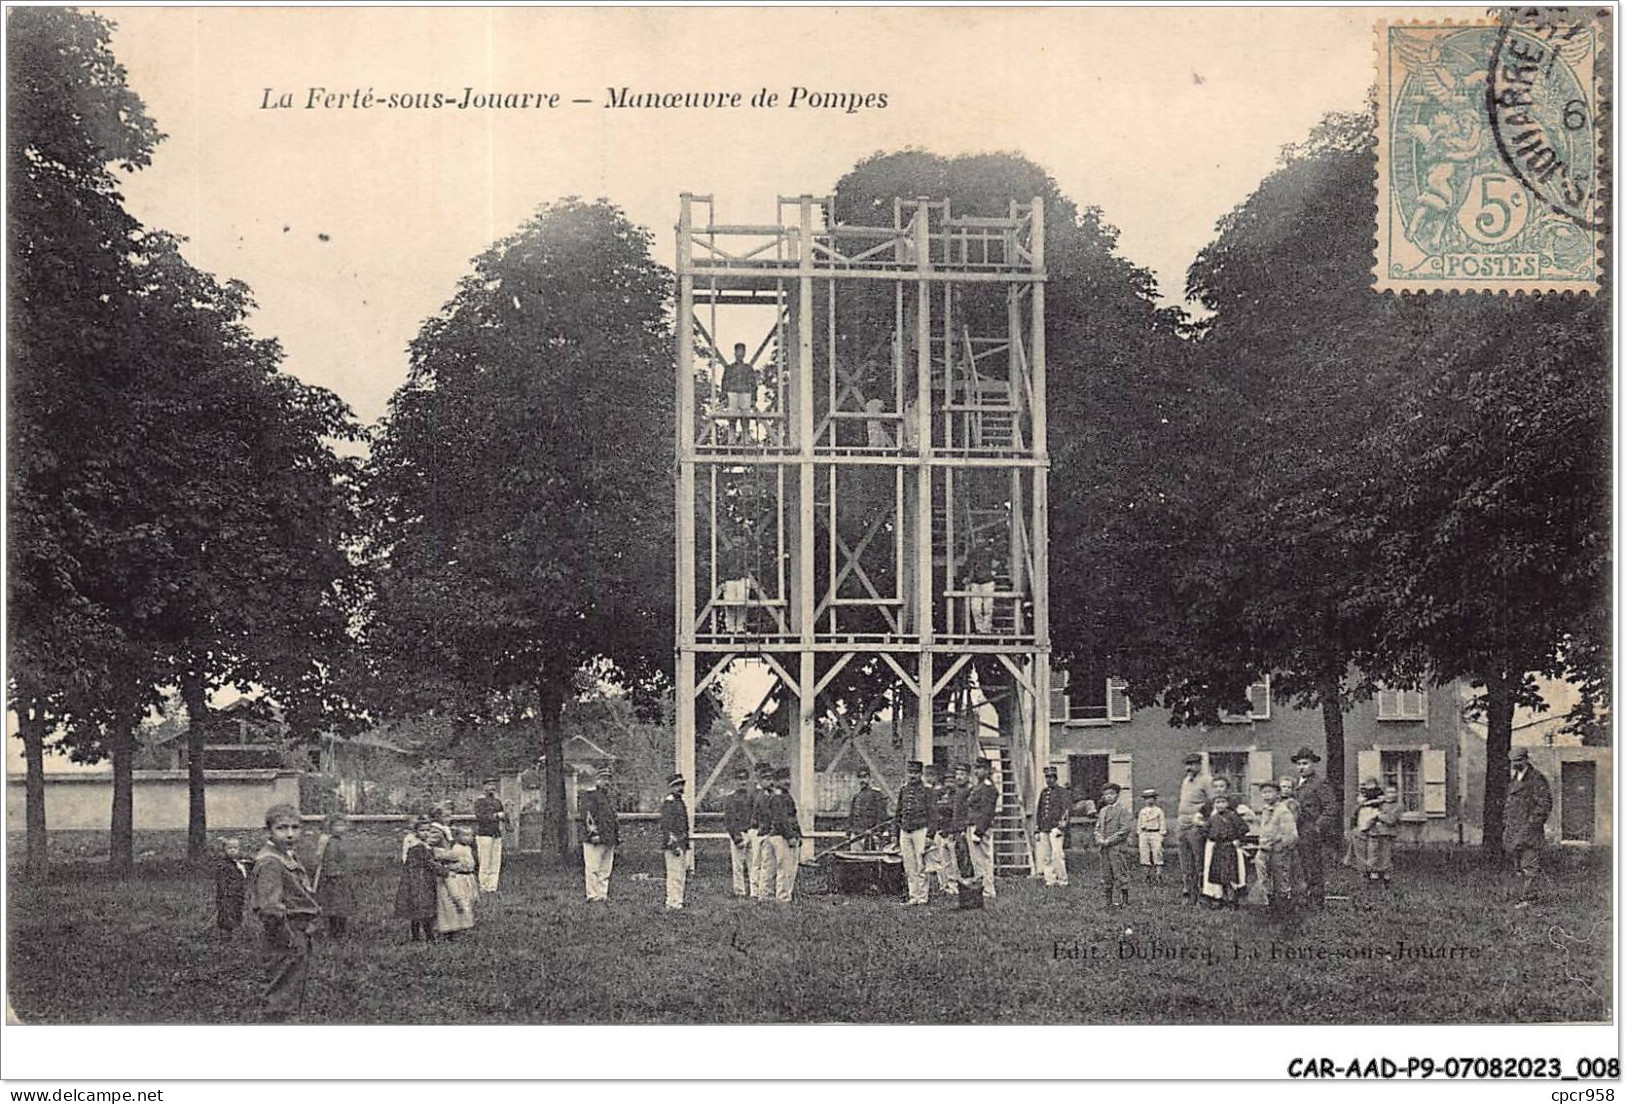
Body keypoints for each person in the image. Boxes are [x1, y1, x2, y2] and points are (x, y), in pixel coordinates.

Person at [250, 803, 320, 1022]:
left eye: (295, 827)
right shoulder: (271, 862)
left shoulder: (287, 855)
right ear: (268, 832)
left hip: (299, 933)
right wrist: (287, 938)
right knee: (280, 995)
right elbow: (270, 908)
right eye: (282, 828)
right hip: (285, 935)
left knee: (292, 988)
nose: (290, 834)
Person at [1291, 746, 1339, 910]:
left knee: (1313, 866)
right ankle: (1303, 897)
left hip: (1310, 830)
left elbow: (1331, 807)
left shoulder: (1320, 783)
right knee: (1300, 864)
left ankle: (1317, 901)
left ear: (1313, 764)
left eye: (1305, 763)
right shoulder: (1295, 784)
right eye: (1299, 764)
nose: (1302, 767)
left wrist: (1317, 827)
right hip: (1296, 830)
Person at [1504, 747, 1552, 908]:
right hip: (1514, 830)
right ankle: (1520, 896)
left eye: (1518, 761)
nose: (1515, 764)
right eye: (1513, 761)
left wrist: (1531, 825)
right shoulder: (1514, 778)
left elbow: (1544, 805)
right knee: (1518, 867)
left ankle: (1530, 899)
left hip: (1529, 832)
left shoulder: (1536, 778)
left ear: (1526, 760)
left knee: (1529, 866)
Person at [1251, 780, 1298, 916]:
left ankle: (1285, 910)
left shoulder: (1283, 811)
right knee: (1264, 878)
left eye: (1269, 792)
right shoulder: (1266, 810)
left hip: (1278, 851)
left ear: (1278, 794)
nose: (1266, 796)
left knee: (1281, 879)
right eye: (1264, 793)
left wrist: (1280, 847)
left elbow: (1291, 835)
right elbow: (1265, 830)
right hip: (1264, 849)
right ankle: (1269, 905)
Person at [394, 816, 440, 942]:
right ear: (416, 832)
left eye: (428, 830)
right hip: (419, 880)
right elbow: (430, 863)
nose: (425, 833)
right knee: (423, 909)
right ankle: (428, 936)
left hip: (422, 879)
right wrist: (444, 872)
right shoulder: (419, 847)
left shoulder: (424, 846)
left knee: (417, 909)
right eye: (422, 830)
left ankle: (417, 936)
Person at [579, 766, 620, 902]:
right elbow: (587, 817)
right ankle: (592, 895)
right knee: (593, 868)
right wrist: (593, 833)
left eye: (608, 779)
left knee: (605, 869)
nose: (606, 782)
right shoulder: (589, 795)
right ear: (597, 780)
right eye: (603, 779)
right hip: (595, 838)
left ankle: (602, 894)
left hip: (608, 838)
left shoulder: (607, 797)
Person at [894, 760, 932, 906]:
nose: (912, 776)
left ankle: (923, 896)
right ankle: (913, 895)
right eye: (910, 772)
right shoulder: (904, 790)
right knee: (909, 865)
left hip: (920, 830)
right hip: (905, 830)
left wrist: (929, 835)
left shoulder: (927, 791)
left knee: (921, 864)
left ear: (921, 774)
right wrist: (895, 832)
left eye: (915, 773)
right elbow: (898, 812)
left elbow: (932, 813)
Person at [1200, 793, 1248, 908]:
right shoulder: (1213, 819)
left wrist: (1237, 839)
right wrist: (1211, 837)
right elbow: (1205, 831)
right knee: (1217, 874)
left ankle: (1232, 899)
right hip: (1217, 849)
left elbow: (1244, 828)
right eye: (1217, 802)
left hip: (1229, 848)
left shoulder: (1232, 816)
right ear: (1214, 805)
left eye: (1223, 802)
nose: (1220, 805)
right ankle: (1218, 897)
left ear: (1227, 804)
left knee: (1231, 873)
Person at [1176, 753, 1211, 904]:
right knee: (1185, 861)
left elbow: (1212, 802)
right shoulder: (1186, 781)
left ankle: (1202, 894)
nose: (1189, 768)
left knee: (1199, 860)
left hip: (1196, 826)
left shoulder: (1206, 781)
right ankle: (1188, 892)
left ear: (1200, 765)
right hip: (1182, 825)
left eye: (1193, 764)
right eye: (1187, 764)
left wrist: (1201, 820)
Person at [313, 813, 355, 939]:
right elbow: (329, 860)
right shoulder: (330, 842)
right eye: (337, 825)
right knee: (334, 905)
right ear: (331, 827)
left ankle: (341, 930)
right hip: (333, 879)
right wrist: (334, 874)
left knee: (342, 905)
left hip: (342, 878)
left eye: (343, 825)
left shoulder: (340, 841)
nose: (341, 828)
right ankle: (334, 931)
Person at [964, 759, 999, 904]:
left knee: (984, 859)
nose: (977, 771)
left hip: (980, 828)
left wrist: (979, 831)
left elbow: (987, 812)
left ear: (987, 770)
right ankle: (981, 888)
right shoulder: (978, 787)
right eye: (976, 768)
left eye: (980, 769)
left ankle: (988, 890)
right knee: (976, 861)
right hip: (972, 825)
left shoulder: (988, 788)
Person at [433, 826, 478, 939]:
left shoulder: (467, 848)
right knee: (459, 901)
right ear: (457, 837)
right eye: (465, 835)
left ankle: (464, 926)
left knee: (467, 901)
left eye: (471, 835)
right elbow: (447, 857)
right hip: (458, 878)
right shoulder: (457, 849)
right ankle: (455, 928)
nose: (469, 838)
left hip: (467, 877)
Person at [1094, 782, 1134, 909]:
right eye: (1106, 795)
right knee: (1106, 874)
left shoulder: (1122, 811)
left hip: (1117, 848)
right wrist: (1099, 838)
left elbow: (1125, 830)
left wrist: (1109, 840)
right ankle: (1108, 901)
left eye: (1111, 794)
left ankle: (1125, 900)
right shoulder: (1102, 811)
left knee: (1120, 873)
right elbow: (1097, 828)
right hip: (1104, 849)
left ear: (1117, 795)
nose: (1108, 797)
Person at [766, 767, 802, 903]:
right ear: (776, 781)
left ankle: (784, 896)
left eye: (788, 778)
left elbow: (793, 818)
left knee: (788, 869)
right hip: (782, 836)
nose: (787, 782)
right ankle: (782, 898)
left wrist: (798, 835)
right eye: (783, 779)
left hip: (786, 835)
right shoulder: (778, 798)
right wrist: (790, 836)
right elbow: (781, 820)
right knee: (785, 869)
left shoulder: (785, 796)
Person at [1033, 765, 1071, 888]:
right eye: (1047, 777)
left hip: (1056, 828)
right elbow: (1039, 811)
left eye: (1051, 777)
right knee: (1046, 856)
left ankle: (1062, 880)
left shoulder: (1062, 792)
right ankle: (1050, 880)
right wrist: (1037, 828)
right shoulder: (1044, 793)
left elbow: (1066, 809)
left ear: (1056, 778)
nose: (1049, 780)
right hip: (1044, 827)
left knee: (1057, 855)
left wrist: (1061, 826)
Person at [722, 766, 756, 898]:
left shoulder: (752, 797)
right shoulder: (730, 799)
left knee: (754, 864)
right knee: (738, 866)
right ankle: (740, 891)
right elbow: (729, 820)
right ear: (735, 781)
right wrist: (736, 837)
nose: (742, 782)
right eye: (739, 779)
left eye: (745, 779)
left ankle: (754, 891)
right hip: (739, 833)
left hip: (752, 832)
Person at [929, 763, 961, 898]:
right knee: (942, 862)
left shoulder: (958, 796)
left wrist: (954, 831)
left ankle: (955, 886)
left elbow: (956, 814)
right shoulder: (940, 795)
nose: (949, 784)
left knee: (954, 862)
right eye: (947, 781)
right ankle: (944, 886)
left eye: (952, 781)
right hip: (940, 831)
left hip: (951, 832)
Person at [660, 773, 691, 910]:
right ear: (671, 787)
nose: (680, 788)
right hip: (674, 843)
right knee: (674, 874)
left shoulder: (680, 802)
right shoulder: (669, 803)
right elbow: (667, 826)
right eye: (677, 785)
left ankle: (678, 900)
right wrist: (673, 844)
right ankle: (672, 902)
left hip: (682, 842)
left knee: (680, 874)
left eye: (681, 785)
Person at [472, 778, 508, 894]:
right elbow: (481, 818)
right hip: (484, 834)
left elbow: (504, 817)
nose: (492, 787)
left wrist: (507, 813)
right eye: (489, 785)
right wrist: (497, 816)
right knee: (485, 861)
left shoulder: (497, 801)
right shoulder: (480, 802)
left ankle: (492, 887)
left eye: (493, 784)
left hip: (496, 834)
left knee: (495, 862)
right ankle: (483, 887)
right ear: (484, 787)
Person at [749, 762, 778, 900]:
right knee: (758, 862)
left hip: (766, 830)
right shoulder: (760, 794)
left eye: (771, 778)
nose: (770, 781)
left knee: (766, 862)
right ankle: (757, 891)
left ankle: (762, 890)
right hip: (759, 830)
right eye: (766, 778)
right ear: (760, 779)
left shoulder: (770, 794)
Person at [720, 342, 757, 443]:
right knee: (732, 417)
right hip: (732, 393)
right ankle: (732, 439)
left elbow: (753, 384)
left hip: (745, 393)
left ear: (744, 353)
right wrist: (723, 397)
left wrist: (754, 398)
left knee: (745, 418)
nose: (740, 353)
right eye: (738, 351)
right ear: (735, 353)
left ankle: (745, 440)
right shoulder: (729, 368)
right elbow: (724, 382)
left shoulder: (748, 368)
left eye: (742, 351)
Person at [214, 837, 250, 936]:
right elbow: (221, 881)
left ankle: (233, 930)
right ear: (225, 850)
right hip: (228, 895)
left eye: (235, 848)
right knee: (227, 913)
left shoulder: (238, 863)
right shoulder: (223, 865)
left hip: (237, 893)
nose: (233, 850)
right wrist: (225, 893)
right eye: (230, 848)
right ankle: (226, 934)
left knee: (236, 911)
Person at [848, 767, 889, 851]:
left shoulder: (877, 794)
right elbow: (852, 815)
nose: (862, 780)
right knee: (855, 859)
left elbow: (882, 814)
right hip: (857, 833)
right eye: (859, 777)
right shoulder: (857, 796)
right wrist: (850, 830)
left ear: (869, 778)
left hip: (871, 833)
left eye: (864, 777)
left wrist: (877, 831)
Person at [965, 544, 998, 634]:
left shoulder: (990, 554)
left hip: (987, 582)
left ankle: (986, 629)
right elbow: (970, 569)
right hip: (976, 583)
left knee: (988, 607)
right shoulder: (972, 557)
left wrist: (993, 572)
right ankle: (979, 628)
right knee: (976, 608)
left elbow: (998, 563)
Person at [1136, 789, 1166, 885]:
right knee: (1144, 853)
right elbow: (1139, 823)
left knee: (1157, 852)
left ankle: (1158, 875)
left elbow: (1162, 822)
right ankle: (1146, 876)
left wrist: (1162, 833)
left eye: (1151, 798)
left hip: (1155, 833)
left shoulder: (1158, 811)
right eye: (1147, 798)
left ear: (1155, 799)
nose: (1149, 800)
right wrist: (1140, 833)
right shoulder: (1142, 811)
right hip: (1144, 833)